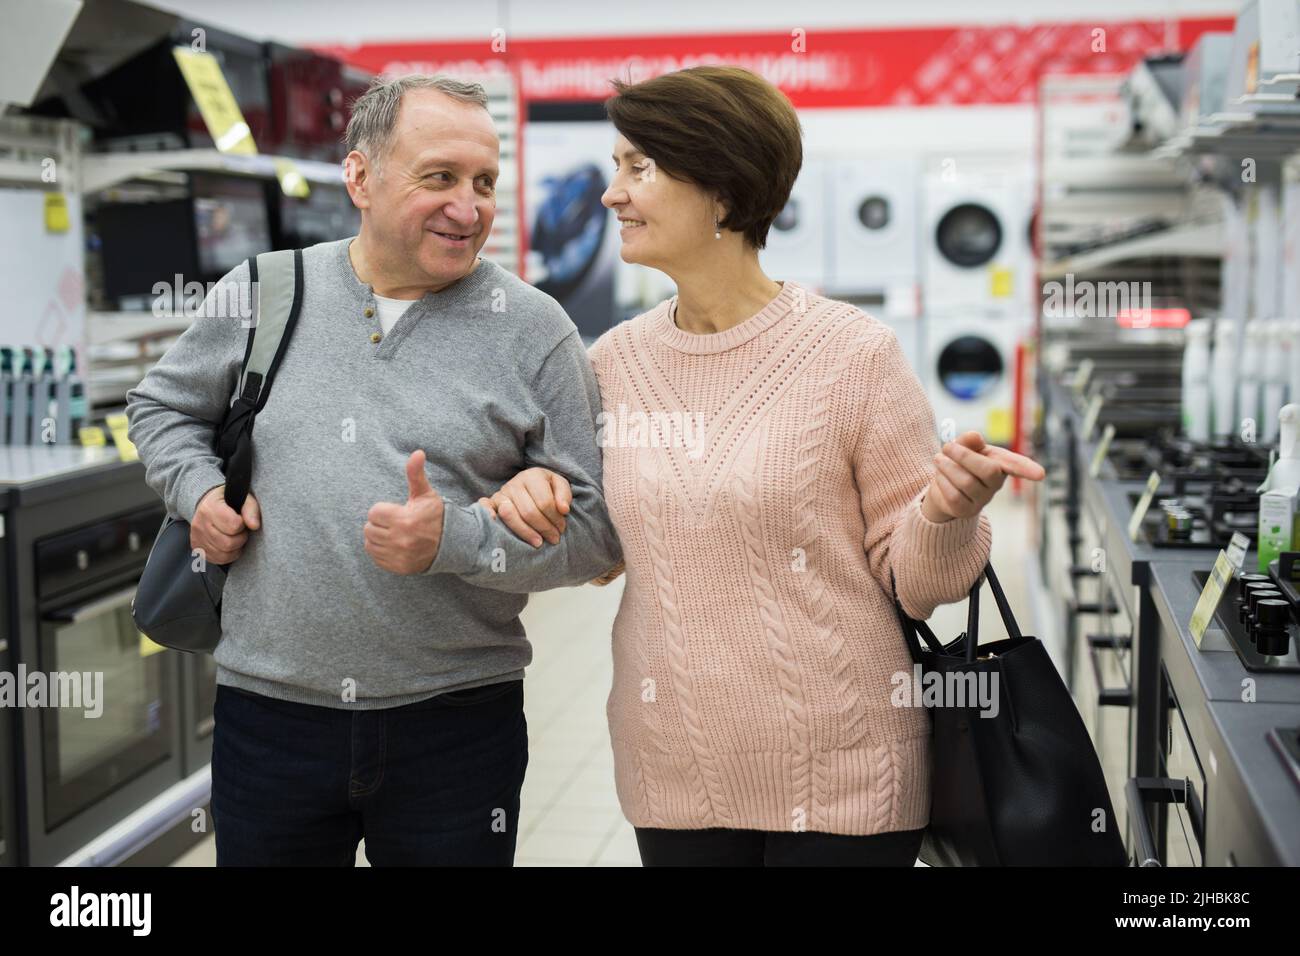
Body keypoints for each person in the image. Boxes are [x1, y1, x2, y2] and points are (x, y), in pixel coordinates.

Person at [480, 65, 1046, 867]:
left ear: (722, 190)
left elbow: (916, 584)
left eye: (638, 168)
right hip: (675, 769)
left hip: (843, 773)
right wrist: (531, 492)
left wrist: (945, 513)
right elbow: (599, 551)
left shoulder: (852, 354)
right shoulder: (612, 362)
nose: (611, 195)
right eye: (615, 168)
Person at [125, 74, 622, 866]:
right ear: (361, 177)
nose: (469, 208)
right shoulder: (262, 292)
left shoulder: (536, 332)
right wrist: (201, 492)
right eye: (439, 178)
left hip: (458, 727)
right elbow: (159, 408)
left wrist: (454, 539)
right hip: (269, 717)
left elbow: (598, 537)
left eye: (484, 182)